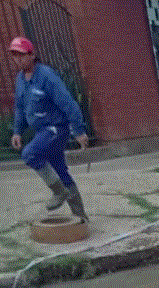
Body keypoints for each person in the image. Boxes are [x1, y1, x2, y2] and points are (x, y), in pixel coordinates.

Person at [8, 36, 89, 221]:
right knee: (60, 170)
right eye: (14, 55)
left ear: (32, 54)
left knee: (29, 154)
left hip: (55, 129)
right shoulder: (21, 79)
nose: (17, 59)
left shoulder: (46, 76)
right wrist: (17, 131)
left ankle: (59, 193)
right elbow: (19, 107)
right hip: (42, 132)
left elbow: (68, 103)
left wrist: (79, 130)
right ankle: (80, 218)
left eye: (21, 55)